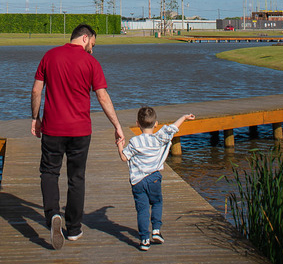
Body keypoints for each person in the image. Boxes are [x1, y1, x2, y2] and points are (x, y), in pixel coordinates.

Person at [30, 23, 124, 250]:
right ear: (85, 37)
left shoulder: (49, 56)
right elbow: (103, 96)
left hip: (52, 129)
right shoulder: (91, 63)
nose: (93, 48)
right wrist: (117, 126)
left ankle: (53, 214)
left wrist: (35, 118)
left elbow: (36, 90)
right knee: (77, 178)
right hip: (81, 131)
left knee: (49, 172)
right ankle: (73, 229)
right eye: (93, 43)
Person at [117, 108, 195, 250]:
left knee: (142, 210)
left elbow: (124, 157)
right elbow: (173, 128)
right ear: (156, 124)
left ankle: (144, 240)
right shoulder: (159, 138)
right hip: (154, 178)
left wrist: (120, 145)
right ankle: (156, 230)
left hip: (138, 181)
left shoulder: (135, 142)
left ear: (137, 124)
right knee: (157, 202)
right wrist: (183, 117)